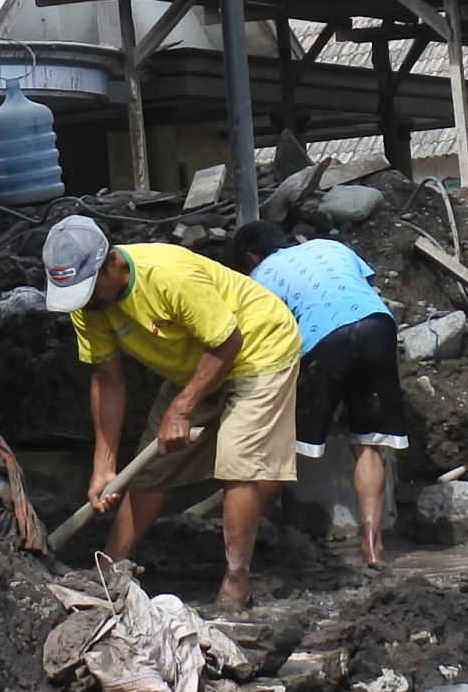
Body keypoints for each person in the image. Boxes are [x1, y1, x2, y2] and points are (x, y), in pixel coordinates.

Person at [38, 214, 302, 610]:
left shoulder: (168, 275)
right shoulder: (88, 305)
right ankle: (110, 569)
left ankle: (235, 585)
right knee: (150, 470)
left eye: (90, 289)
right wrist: (103, 464)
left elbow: (228, 342)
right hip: (195, 361)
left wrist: (183, 407)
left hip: (256, 346)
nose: (87, 301)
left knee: (239, 462)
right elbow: (107, 378)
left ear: (111, 261)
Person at [226, 224, 410, 571]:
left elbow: (265, 335)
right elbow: (363, 289)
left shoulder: (259, 276)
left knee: (285, 448)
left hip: (324, 337)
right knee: (368, 442)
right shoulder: (330, 245)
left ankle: (249, 540)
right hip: (378, 325)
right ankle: (372, 547)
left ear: (250, 256)